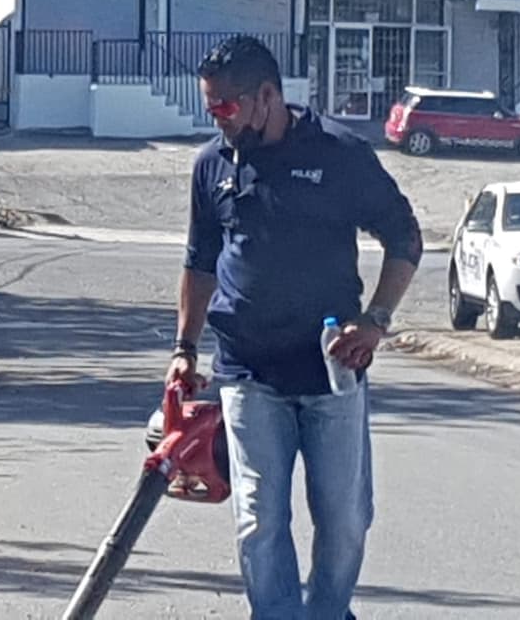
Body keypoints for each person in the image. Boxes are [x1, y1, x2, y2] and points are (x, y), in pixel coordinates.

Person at [166, 35, 422, 620]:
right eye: (209, 108)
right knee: (259, 517)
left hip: (331, 371)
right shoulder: (211, 167)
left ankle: (328, 611)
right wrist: (184, 348)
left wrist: (375, 321)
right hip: (247, 371)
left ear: (267, 96)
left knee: (345, 518)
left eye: (226, 106)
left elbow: (404, 238)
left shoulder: (340, 154)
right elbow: (199, 261)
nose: (218, 119)